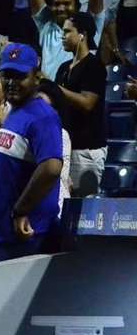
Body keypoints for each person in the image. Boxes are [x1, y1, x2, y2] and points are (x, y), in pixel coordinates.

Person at [0, 43, 63, 266]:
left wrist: (21, 210)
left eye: (20, 76)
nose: (12, 83)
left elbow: (52, 167)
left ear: (37, 76)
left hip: (24, 231)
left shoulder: (43, 115)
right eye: (7, 75)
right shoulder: (14, 111)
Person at [55, 12, 107, 197]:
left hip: (87, 151)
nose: (63, 35)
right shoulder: (63, 68)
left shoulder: (94, 66)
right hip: (65, 149)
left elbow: (87, 103)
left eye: (68, 31)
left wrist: (56, 89)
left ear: (82, 34)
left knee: (84, 213)